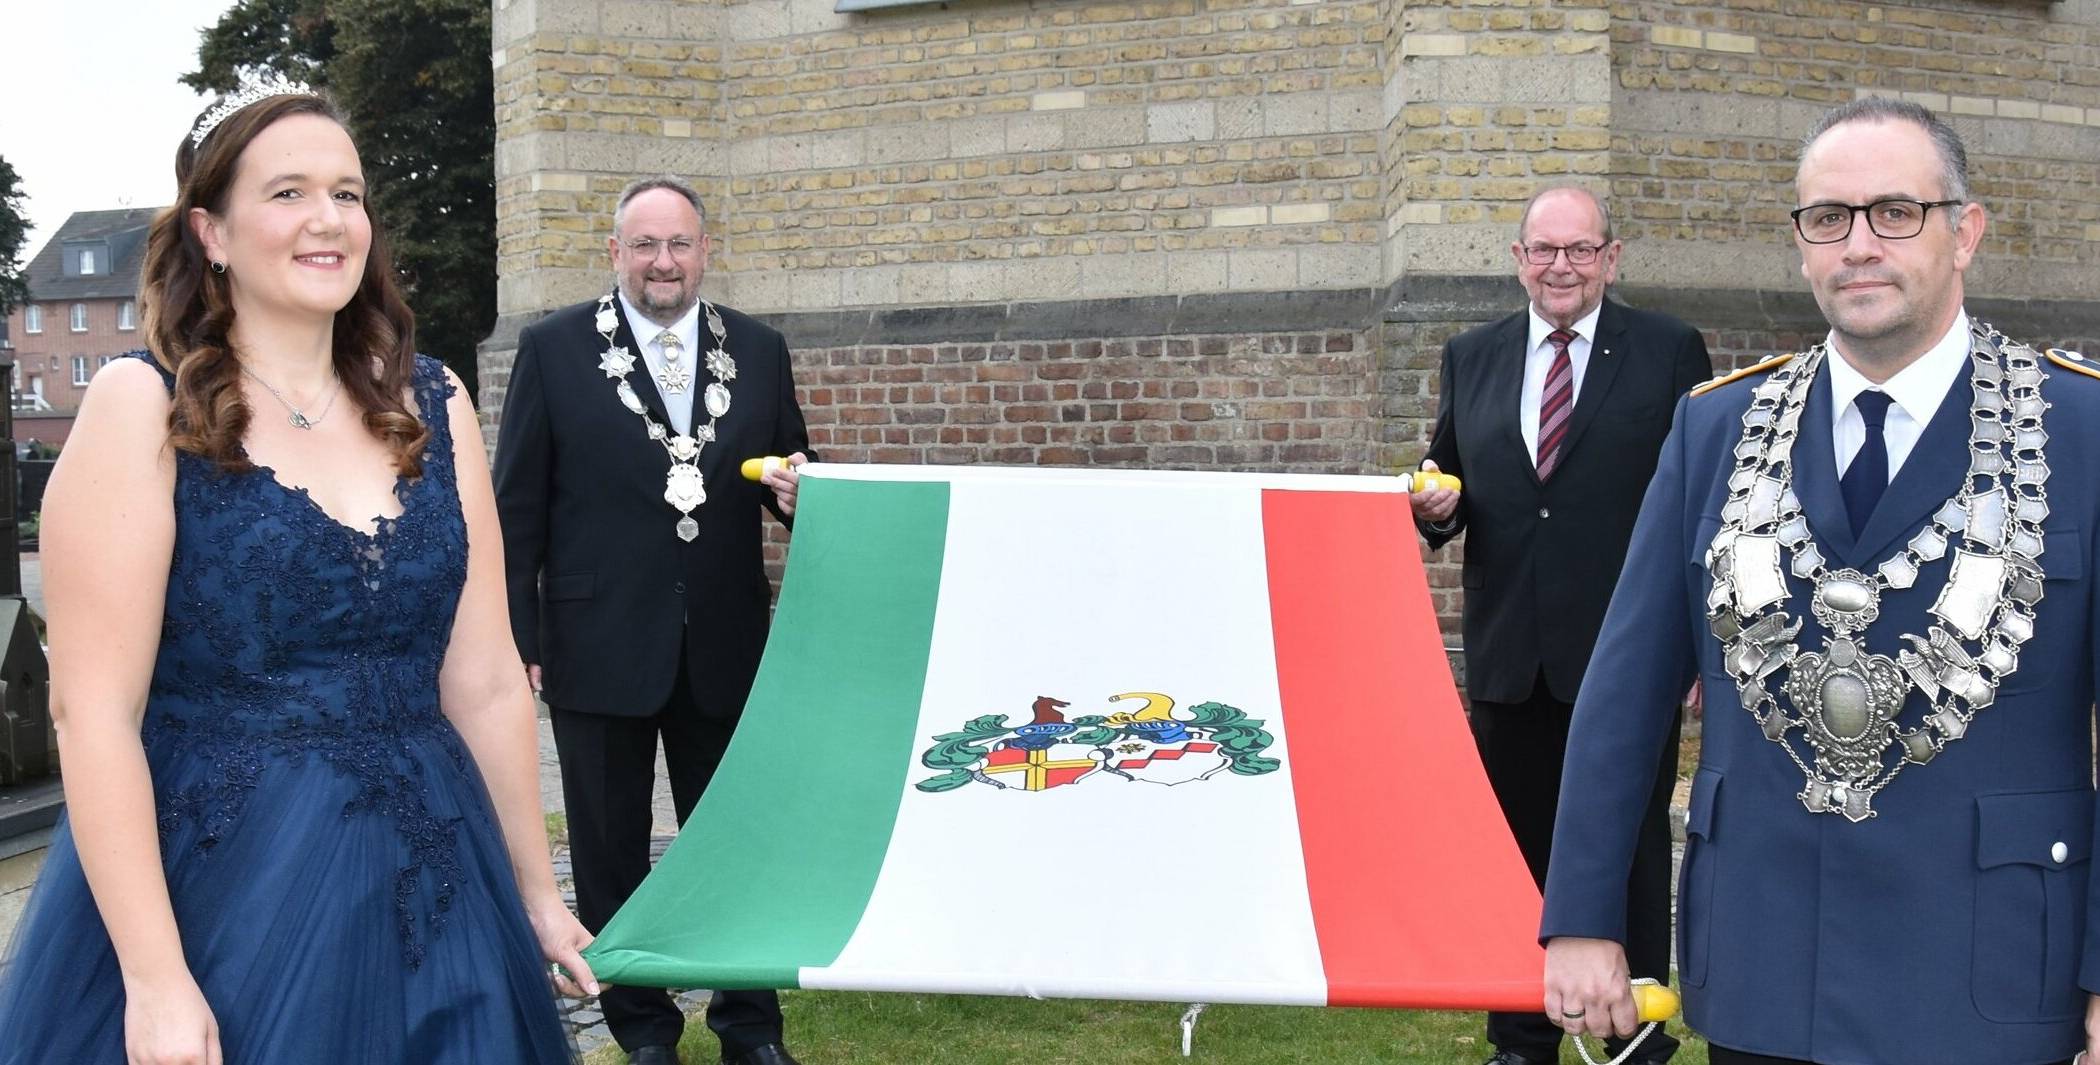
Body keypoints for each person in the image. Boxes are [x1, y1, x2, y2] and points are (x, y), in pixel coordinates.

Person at [0, 86, 592, 1064]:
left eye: (348, 194)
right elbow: (92, 714)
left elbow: (483, 681)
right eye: (287, 193)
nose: (329, 220)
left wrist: (533, 889)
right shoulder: (139, 409)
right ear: (211, 230)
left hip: (438, 879)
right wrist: (153, 980)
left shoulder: (433, 405)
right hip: (231, 892)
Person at [1543, 98, 2100, 1065]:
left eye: (1896, 213)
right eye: (1827, 218)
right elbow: (1626, 693)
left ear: (1964, 232)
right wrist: (1583, 916)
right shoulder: (1717, 428)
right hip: (1769, 967)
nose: (1859, 246)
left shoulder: (2081, 430)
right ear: (1800, 242)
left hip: (1996, 971)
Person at [493, 175, 813, 1065]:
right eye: (645, 245)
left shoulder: (758, 347)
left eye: (679, 244)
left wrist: (798, 487)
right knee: (607, 856)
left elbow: (796, 470)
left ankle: (751, 1029)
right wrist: (517, 640)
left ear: (705, 250)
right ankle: (643, 1032)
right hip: (595, 647)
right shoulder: (552, 350)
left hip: (724, 642)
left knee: (736, 846)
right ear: (616, 254)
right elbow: (515, 509)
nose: (663, 262)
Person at [1412, 186, 1712, 1065]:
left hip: (1632, 661)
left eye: (1581, 250)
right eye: (1544, 251)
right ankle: (1518, 1037)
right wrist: (1432, 508)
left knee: (1627, 848)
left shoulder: (1665, 351)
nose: (1562, 268)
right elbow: (1451, 484)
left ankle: (1635, 1038)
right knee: (1514, 858)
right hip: (1510, 659)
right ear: (1518, 259)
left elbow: (1701, 504)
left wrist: (1697, 640)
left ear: (1611, 259)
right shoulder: (1472, 356)